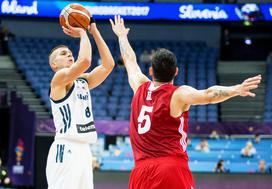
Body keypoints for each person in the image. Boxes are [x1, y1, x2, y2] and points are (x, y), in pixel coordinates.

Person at [110, 15, 262, 189]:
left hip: (140, 172)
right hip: (171, 169)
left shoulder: (139, 87)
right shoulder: (178, 94)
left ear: (151, 71)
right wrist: (235, 89)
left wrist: (122, 36)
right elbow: (209, 94)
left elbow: (130, 60)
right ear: (176, 71)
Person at [46, 20, 114, 189]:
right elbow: (85, 61)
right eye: (63, 54)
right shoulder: (59, 79)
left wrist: (94, 32)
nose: (69, 55)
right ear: (54, 64)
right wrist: (83, 33)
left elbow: (108, 65)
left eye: (70, 52)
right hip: (66, 147)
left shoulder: (83, 81)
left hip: (84, 150)